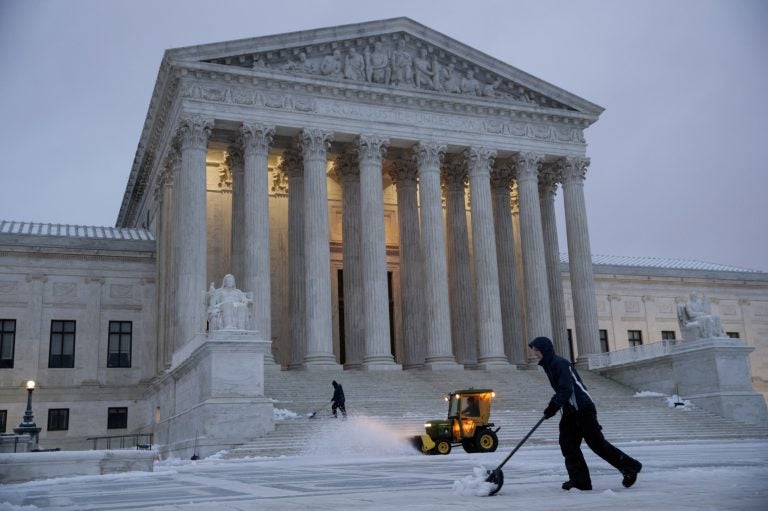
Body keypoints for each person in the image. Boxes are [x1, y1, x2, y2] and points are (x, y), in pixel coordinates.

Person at [529, 336, 642, 491]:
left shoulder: (559, 364)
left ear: (544, 350)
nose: (535, 353)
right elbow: (564, 391)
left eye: (537, 350)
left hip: (583, 409)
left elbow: (566, 389)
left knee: (597, 444)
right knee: (568, 444)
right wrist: (556, 406)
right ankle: (580, 481)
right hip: (570, 411)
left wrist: (553, 406)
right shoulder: (550, 365)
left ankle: (630, 466)